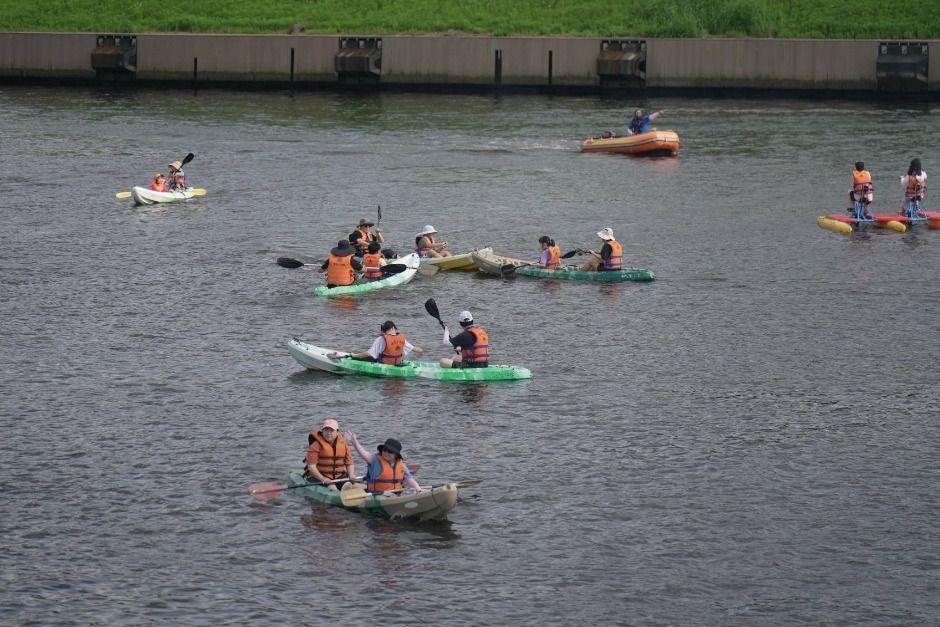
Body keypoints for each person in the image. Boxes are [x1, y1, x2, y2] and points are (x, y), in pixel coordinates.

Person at [344, 433, 422, 493]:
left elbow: (409, 479)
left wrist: (419, 490)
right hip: (377, 494)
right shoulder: (374, 459)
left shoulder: (401, 464)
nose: (386, 453)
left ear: (396, 455)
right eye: (385, 450)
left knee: (412, 488)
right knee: (358, 487)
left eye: (390, 451)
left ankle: (356, 486)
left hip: (396, 494)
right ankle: (352, 487)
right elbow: (363, 453)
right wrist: (355, 442)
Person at [334, 320, 423, 364]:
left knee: (362, 357)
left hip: (384, 363)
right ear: (393, 328)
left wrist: (355, 355)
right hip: (397, 363)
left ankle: (348, 356)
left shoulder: (381, 339)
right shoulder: (402, 338)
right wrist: (422, 350)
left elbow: (369, 353)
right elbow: (417, 350)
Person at [304, 419, 356, 489]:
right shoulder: (315, 445)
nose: (328, 433)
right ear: (322, 431)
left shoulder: (343, 445)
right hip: (319, 476)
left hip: (338, 476)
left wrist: (351, 475)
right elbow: (311, 467)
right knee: (332, 487)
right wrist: (323, 479)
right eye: (326, 430)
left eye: (331, 430)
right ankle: (338, 495)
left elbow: (349, 463)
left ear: (337, 432)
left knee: (354, 485)